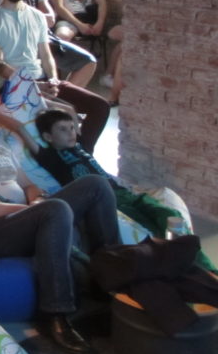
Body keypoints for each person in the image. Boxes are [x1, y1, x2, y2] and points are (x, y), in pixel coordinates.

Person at [0, 80, 119, 354]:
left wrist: (34, 201)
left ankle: (111, 278)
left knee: (95, 184)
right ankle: (56, 315)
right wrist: (27, 210)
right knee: (55, 209)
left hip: (23, 217)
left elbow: (27, 184)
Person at [33, 108, 212, 268]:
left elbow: (70, 110)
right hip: (110, 202)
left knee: (169, 215)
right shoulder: (52, 158)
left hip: (126, 194)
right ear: (48, 137)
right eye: (62, 130)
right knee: (150, 229)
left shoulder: (82, 145)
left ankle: (203, 266)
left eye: (72, 128)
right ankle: (185, 266)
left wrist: (50, 100)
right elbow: (23, 135)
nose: (71, 133)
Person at [0, 0, 109, 153]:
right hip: (14, 87)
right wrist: (32, 85)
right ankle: (75, 157)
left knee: (100, 107)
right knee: (67, 113)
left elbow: (46, 54)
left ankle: (82, 156)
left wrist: (54, 79)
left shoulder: (37, 16)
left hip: (42, 79)